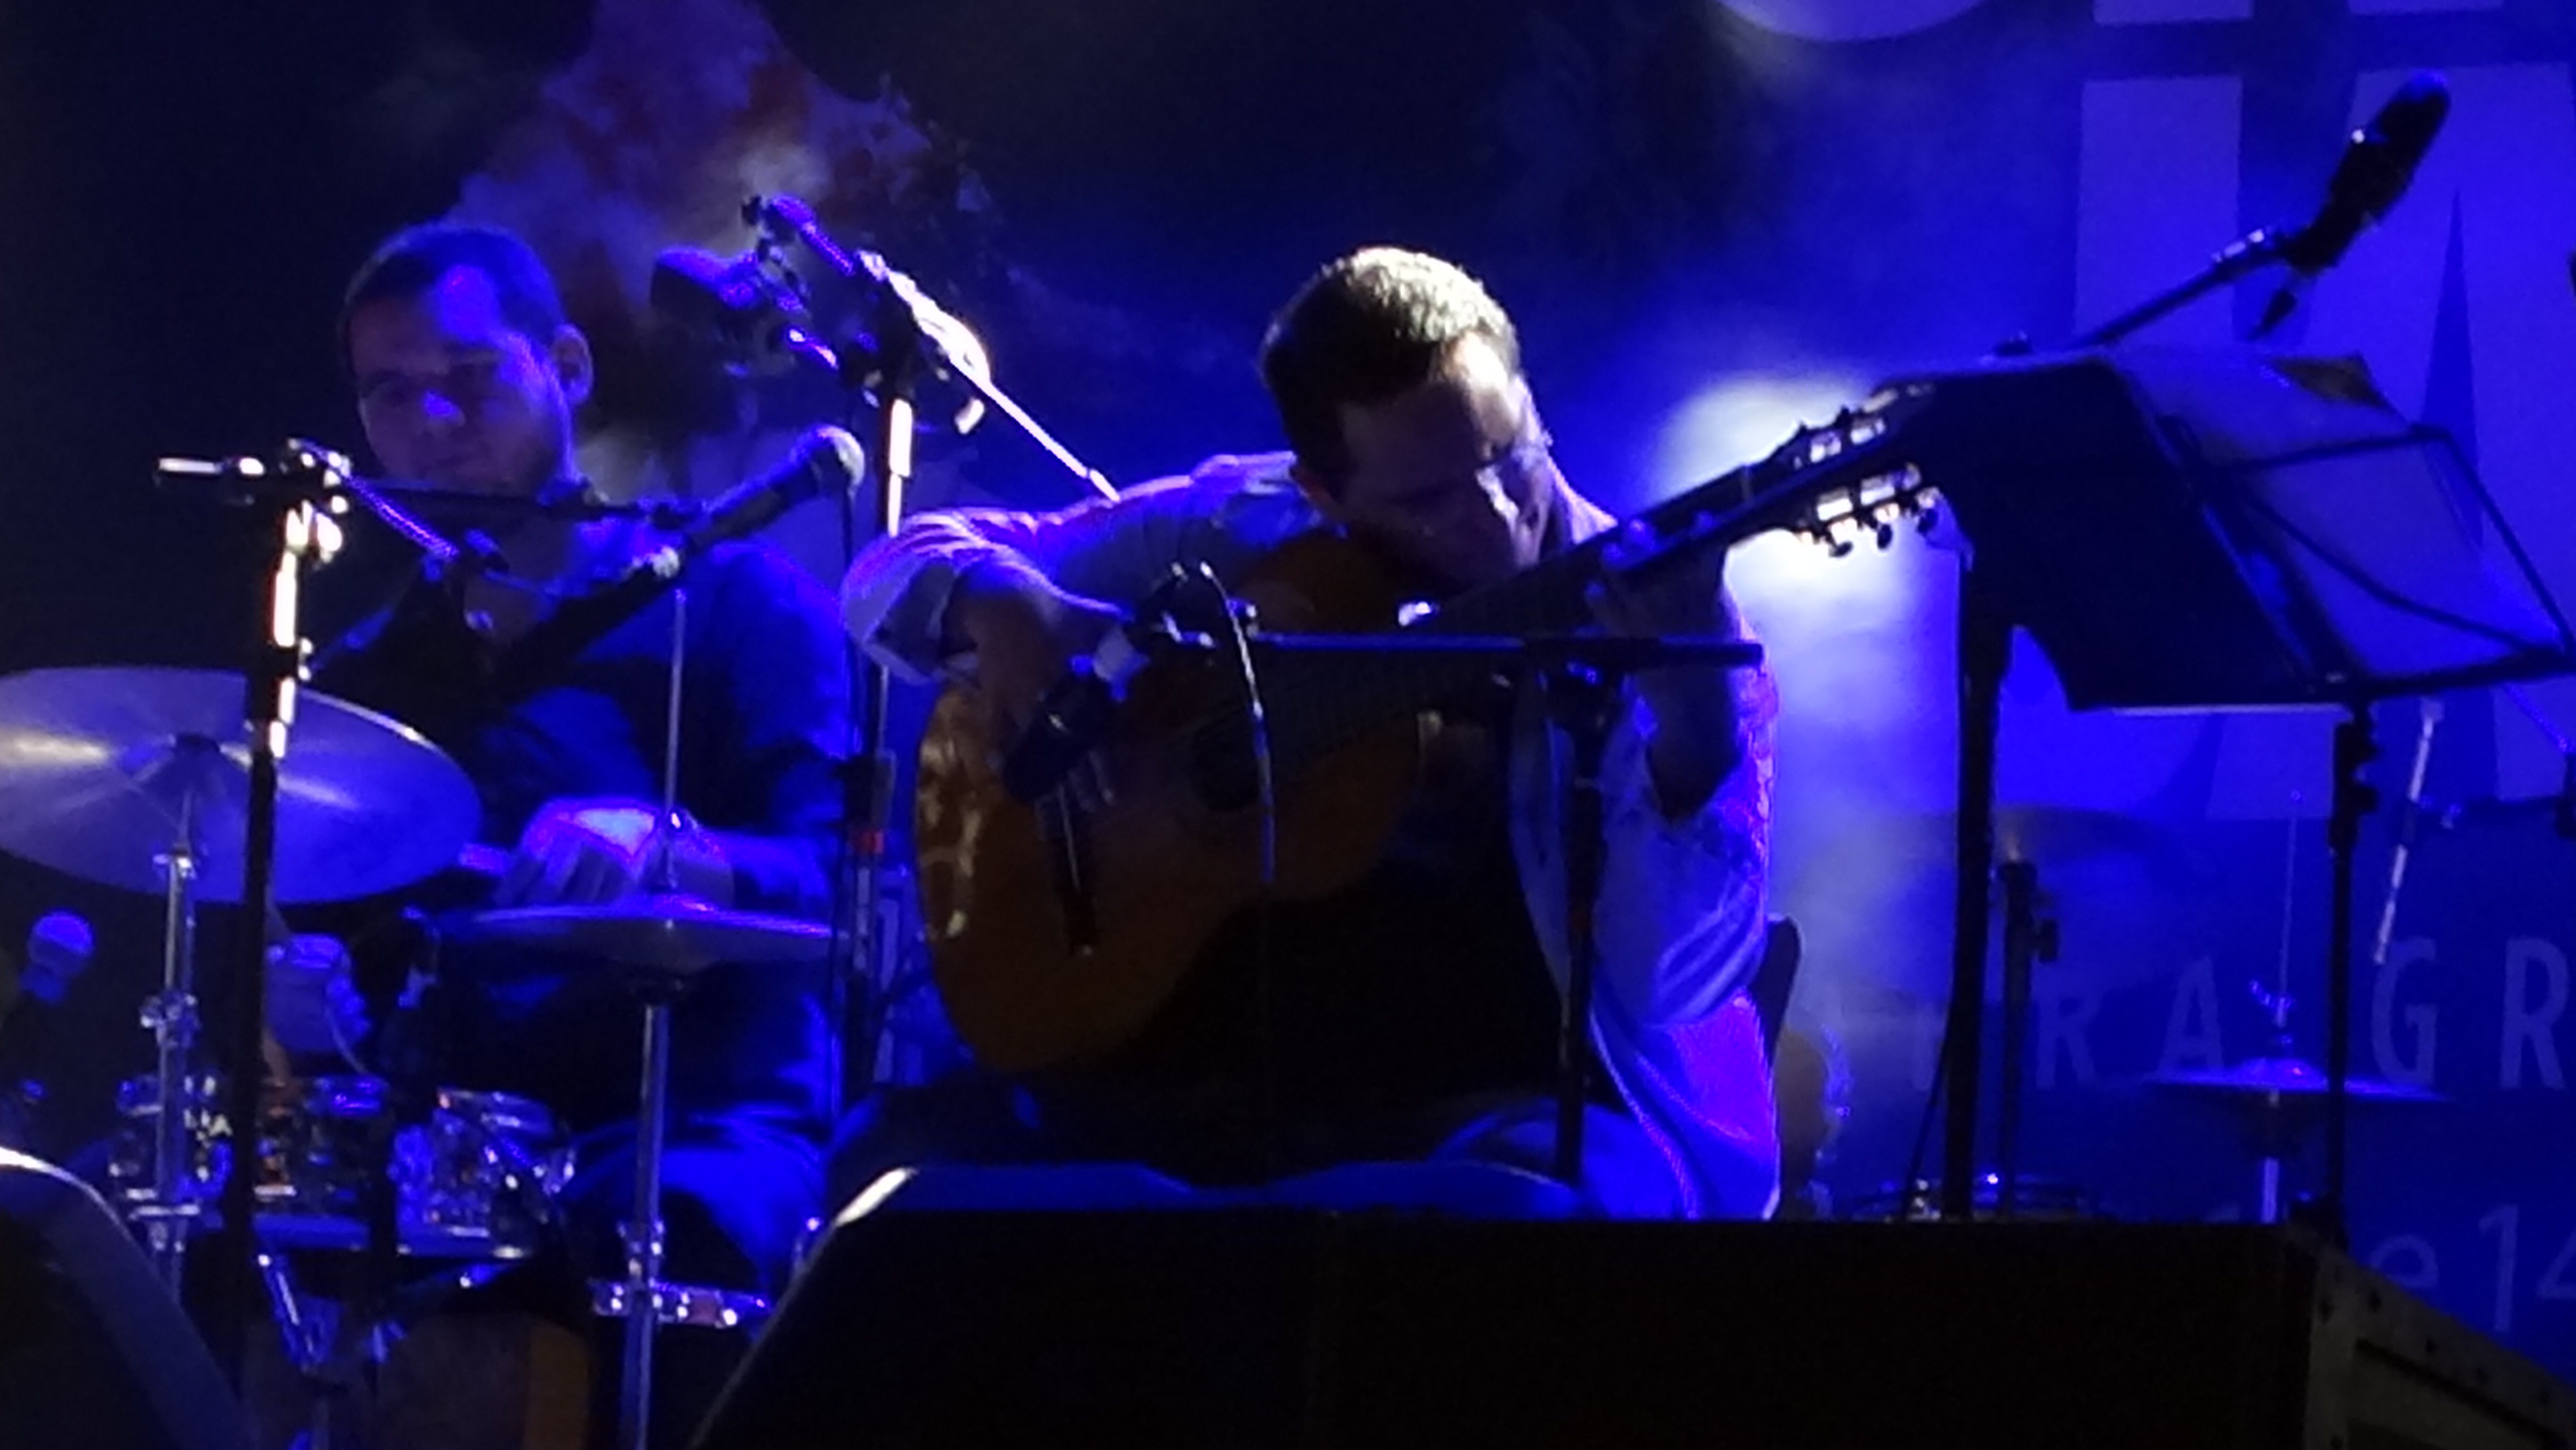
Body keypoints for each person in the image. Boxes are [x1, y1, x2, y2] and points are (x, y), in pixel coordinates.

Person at [831, 245, 1778, 1221]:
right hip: (1211, 1075)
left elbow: (1673, 983)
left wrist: (1697, 722)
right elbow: (896, 565)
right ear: (1323, 491)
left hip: (1508, 1105)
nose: (1497, 518)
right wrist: (1003, 604)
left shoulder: (1658, 620)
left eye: (1511, 457)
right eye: (1428, 500)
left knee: (1508, 1216)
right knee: (889, 1178)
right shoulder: (1245, 524)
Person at [278, 220, 851, 1448]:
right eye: (392, 394)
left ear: (570, 368)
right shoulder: (361, 683)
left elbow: (841, 890)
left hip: (692, 1129)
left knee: (660, 1229)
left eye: (470, 376)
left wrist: (674, 851)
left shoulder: (739, 607)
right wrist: (296, 1003)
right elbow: (330, 970)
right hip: (439, 1152)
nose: (434, 422)